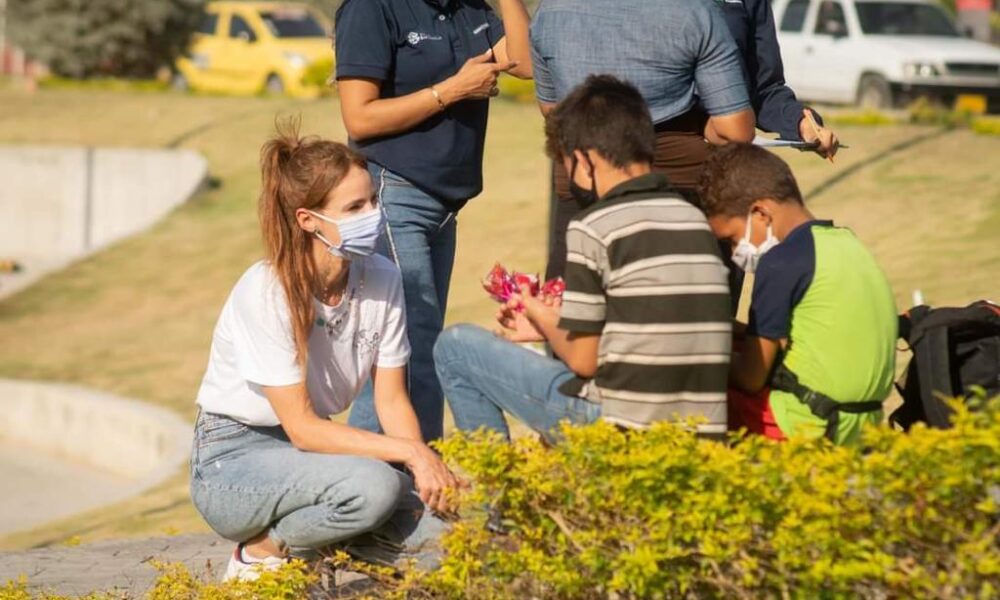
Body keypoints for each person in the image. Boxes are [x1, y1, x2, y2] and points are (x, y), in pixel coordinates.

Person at [190, 124, 456, 582]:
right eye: (355, 207)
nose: (373, 214)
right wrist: (414, 456)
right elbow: (304, 429)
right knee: (373, 487)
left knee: (437, 530)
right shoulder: (267, 290)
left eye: (373, 200)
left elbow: (391, 401)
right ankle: (259, 552)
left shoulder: (384, 278)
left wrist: (421, 472)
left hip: (313, 458)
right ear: (307, 220)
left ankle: (336, 544)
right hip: (232, 459)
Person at [434, 76, 732, 440]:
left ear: (584, 161)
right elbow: (645, 336)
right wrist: (547, 325)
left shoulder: (595, 226)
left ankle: (495, 493)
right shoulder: (695, 221)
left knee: (456, 348)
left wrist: (535, 308)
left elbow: (584, 360)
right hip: (701, 432)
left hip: (622, 430)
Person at [334, 0, 533, 443]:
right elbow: (359, 117)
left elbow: (527, 64)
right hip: (393, 194)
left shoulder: (470, 9)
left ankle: (389, 486)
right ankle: (406, 487)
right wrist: (452, 90)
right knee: (409, 351)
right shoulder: (372, 9)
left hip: (444, 208)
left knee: (410, 350)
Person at [535, 0, 841, 281]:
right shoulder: (693, 13)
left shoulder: (551, 11)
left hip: (612, 182)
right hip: (681, 187)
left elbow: (764, 86)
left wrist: (797, 120)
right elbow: (735, 129)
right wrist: (709, 126)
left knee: (578, 318)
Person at [699, 143, 896, 446]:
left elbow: (752, 376)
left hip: (804, 422)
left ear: (761, 213)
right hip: (862, 422)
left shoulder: (780, 262)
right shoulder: (848, 244)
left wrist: (703, 355)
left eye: (732, 239)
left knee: (696, 393)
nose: (734, 251)